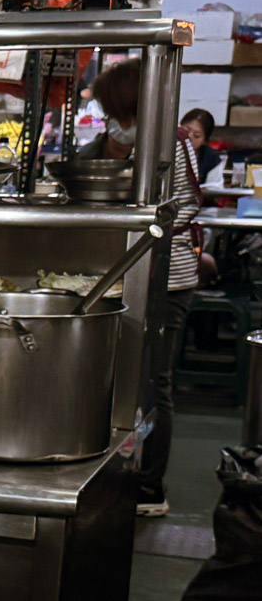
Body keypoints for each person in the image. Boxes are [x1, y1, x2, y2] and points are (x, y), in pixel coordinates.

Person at [80, 59, 200, 517]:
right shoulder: (123, 139)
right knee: (129, 380)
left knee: (156, 385)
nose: (114, 120)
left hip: (167, 281)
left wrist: (146, 229)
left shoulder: (173, 141)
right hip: (131, 272)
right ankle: (123, 476)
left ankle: (151, 488)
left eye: (117, 110)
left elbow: (182, 208)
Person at [180, 108, 226, 187]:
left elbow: (214, 190)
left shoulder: (211, 158)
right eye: (186, 130)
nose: (189, 136)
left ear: (204, 141)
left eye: (196, 136)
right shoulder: (166, 149)